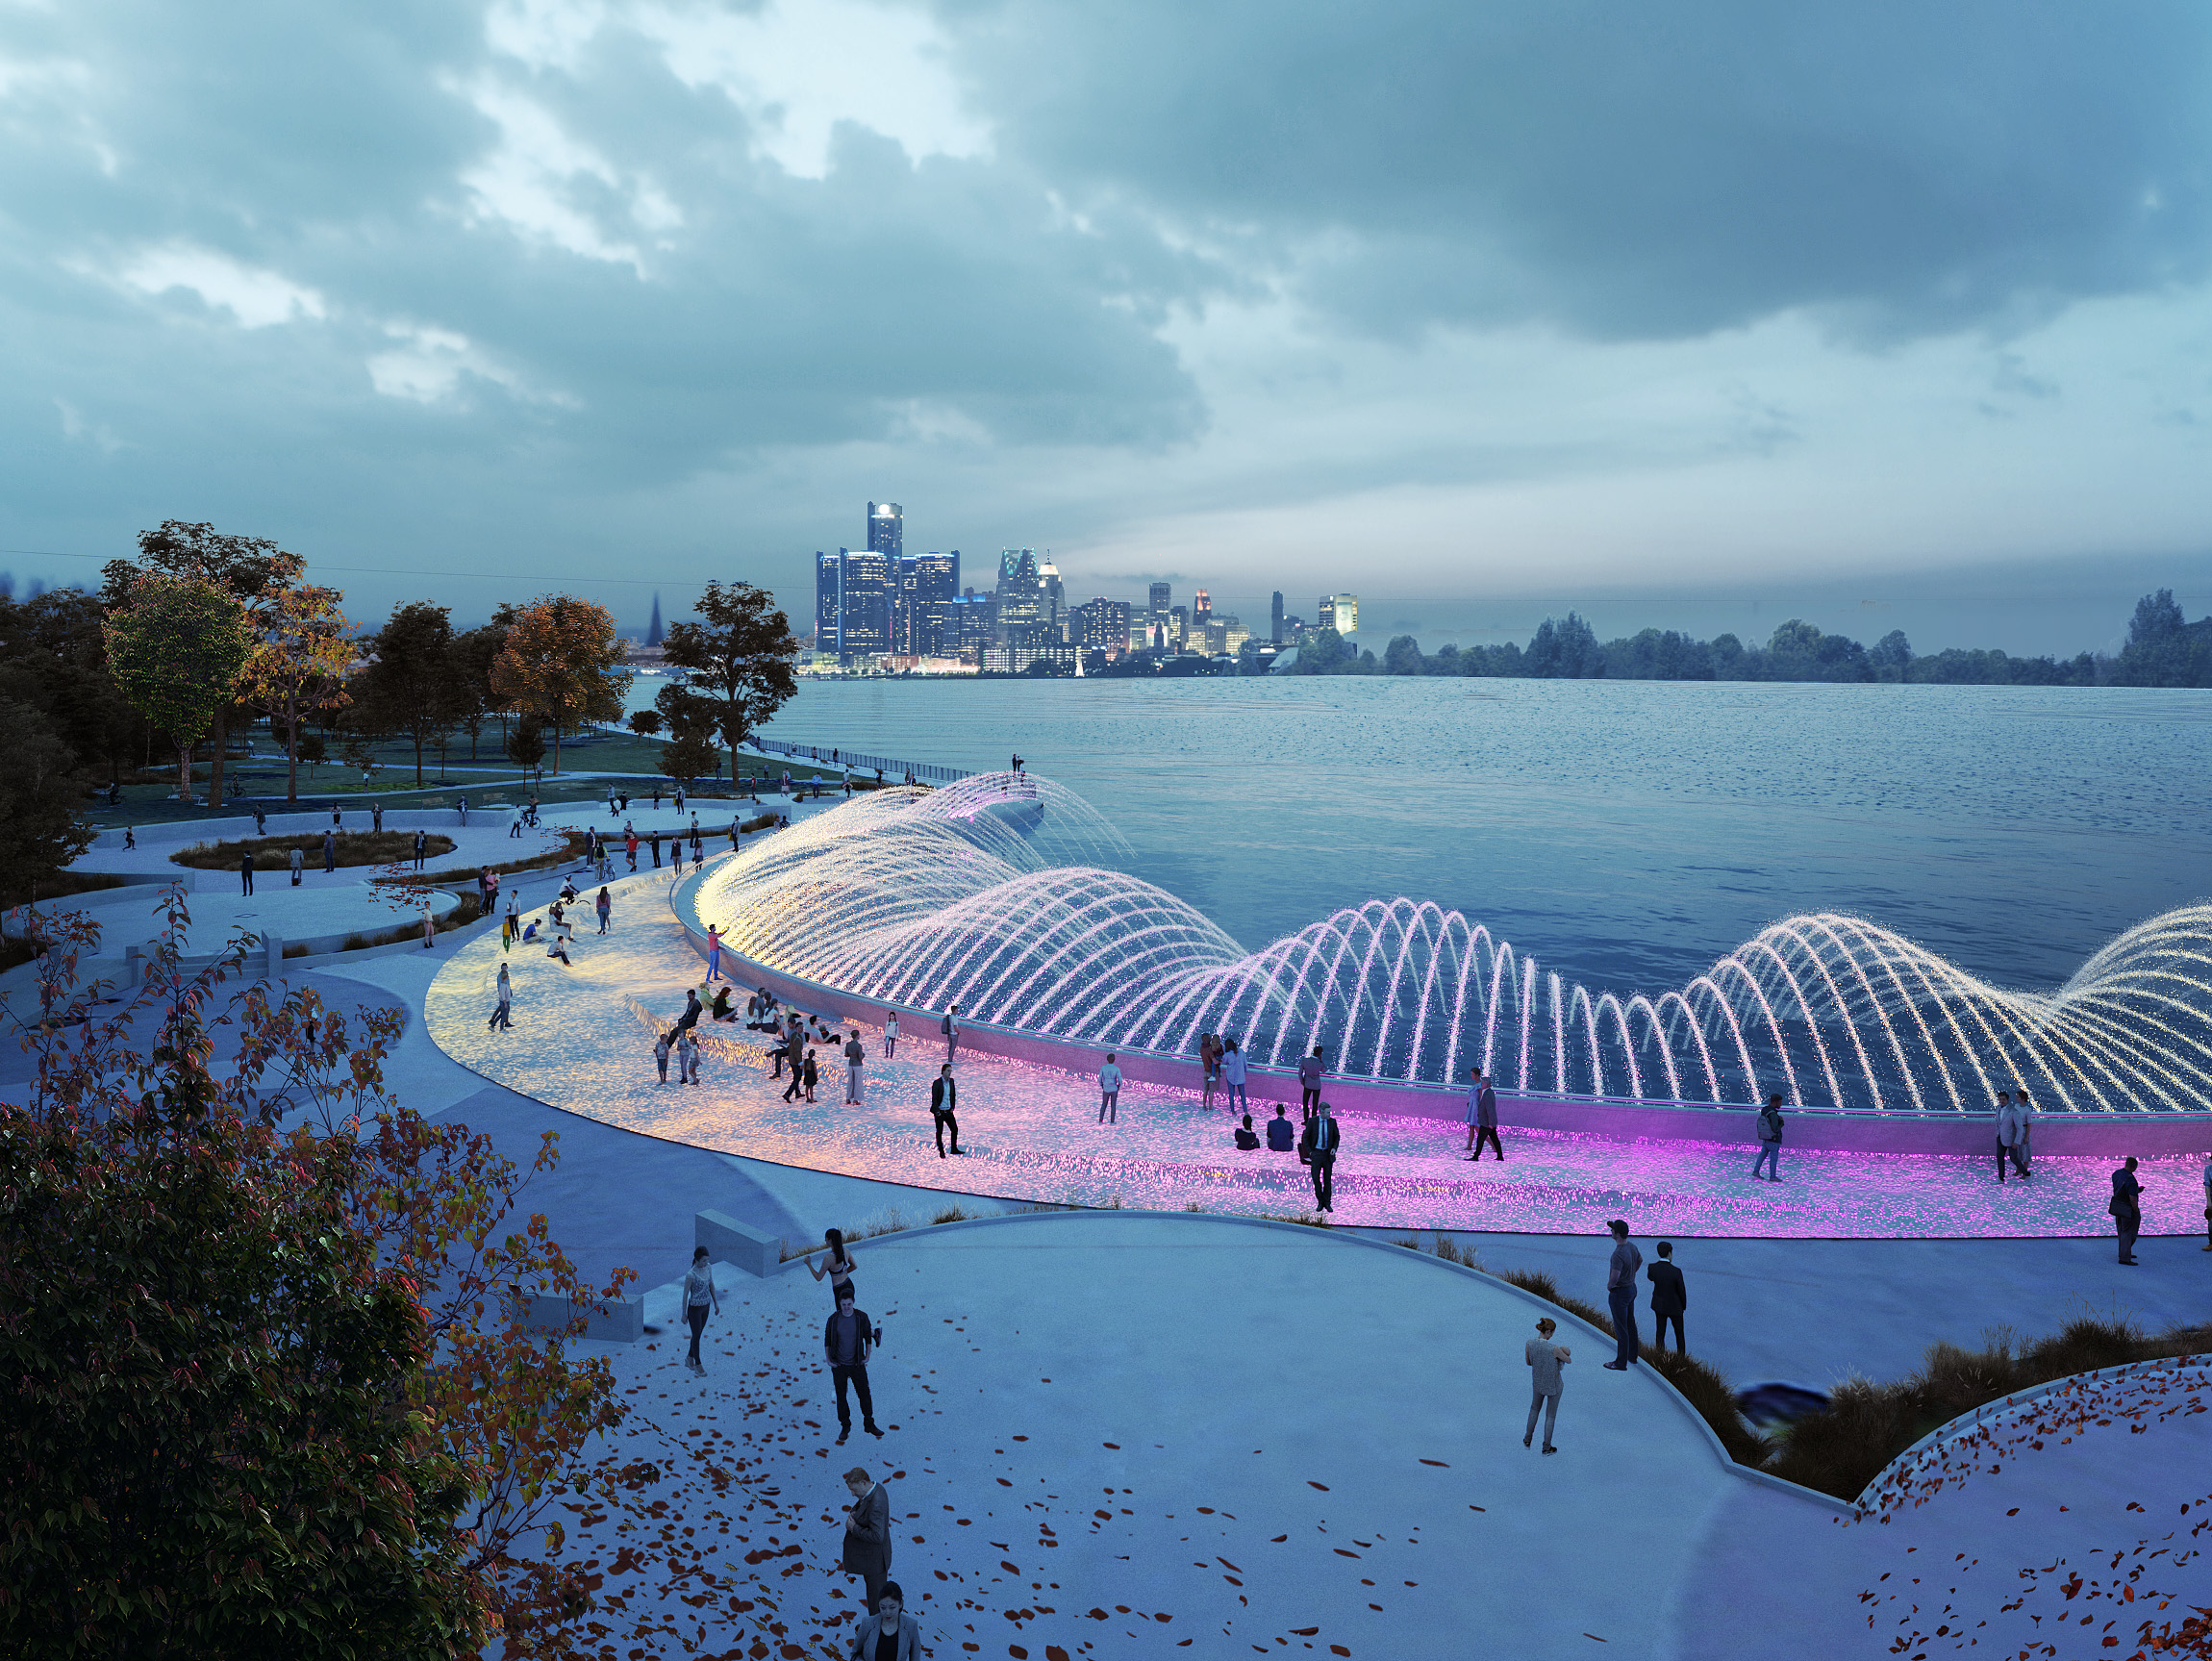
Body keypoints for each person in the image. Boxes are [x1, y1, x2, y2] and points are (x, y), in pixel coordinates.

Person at [825, 1291, 883, 1444]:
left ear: (853, 1302)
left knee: (864, 1394)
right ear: (840, 1304)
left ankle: (869, 1423)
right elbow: (827, 1341)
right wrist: (829, 1360)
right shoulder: (833, 1319)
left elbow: (867, 1338)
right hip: (839, 1365)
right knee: (841, 1396)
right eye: (843, 1305)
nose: (846, 1307)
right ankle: (845, 1426)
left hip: (857, 1364)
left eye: (849, 1304)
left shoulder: (861, 1317)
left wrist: (868, 1356)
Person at [841, 1467, 892, 1610]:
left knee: (876, 1603)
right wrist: (856, 1512)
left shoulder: (877, 1503)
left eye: (854, 1490)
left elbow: (877, 1536)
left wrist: (854, 1528)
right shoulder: (876, 1488)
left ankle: (878, 1629)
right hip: (874, 1560)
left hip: (874, 1563)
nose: (852, 1494)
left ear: (863, 1483)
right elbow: (864, 1504)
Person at [1524, 1317, 1568, 1454]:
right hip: (1554, 1385)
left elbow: (1528, 1362)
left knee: (1534, 1409)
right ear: (1548, 1331)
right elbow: (1568, 1360)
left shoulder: (1529, 1344)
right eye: (1553, 1332)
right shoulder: (1554, 1349)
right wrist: (1563, 1351)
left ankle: (1527, 1438)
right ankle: (1546, 1447)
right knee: (1550, 1416)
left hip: (1538, 1383)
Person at [1603, 1221, 1643, 1369]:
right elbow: (1640, 1260)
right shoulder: (1632, 1246)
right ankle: (1633, 1356)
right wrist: (1631, 1274)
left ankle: (1620, 1362)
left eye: (1612, 1229)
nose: (1610, 1231)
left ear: (1617, 1234)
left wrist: (1610, 1286)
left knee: (1621, 1329)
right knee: (1630, 1324)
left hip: (1620, 1293)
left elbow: (1615, 1276)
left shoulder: (1618, 1254)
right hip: (1631, 1288)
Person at [844, 1585, 920, 1661]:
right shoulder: (867, 1623)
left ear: (900, 1604)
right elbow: (855, 1654)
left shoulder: (911, 1626)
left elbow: (915, 1658)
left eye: (892, 1607)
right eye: (883, 1607)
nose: (887, 1612)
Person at [682, 1246, 719, 1373]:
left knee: (697, 1335)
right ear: (697, 1260)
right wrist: (683, 1314)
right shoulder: (690, 1275)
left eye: (707, 1260)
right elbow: (685, 1294)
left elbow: (711, 1284)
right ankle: (698, 1364)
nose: (705, 1263)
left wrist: (715, 1302)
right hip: (695, 1309)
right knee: (696, 1336)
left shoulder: (708, 1267)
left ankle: (689, 1358)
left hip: (706, 1306)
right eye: (703, 1260)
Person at [1647, 1241, 1686, 1354]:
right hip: (1675, 1307)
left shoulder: (1652, 1268)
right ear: (1669, 1253)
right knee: (1679, 1334)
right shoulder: (1676, 1272)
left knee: (1660, 1332)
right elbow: (1681, 1291)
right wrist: (1683, 1306)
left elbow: (1650, 1278)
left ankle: (1659, 1355)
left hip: (1659, 1305)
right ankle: (1681, 1358)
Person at [1302, 1103, 1340, 1212]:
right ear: (1321, 1112)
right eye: (1328, 1112)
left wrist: (1334, 1148)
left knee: (1327, 1180)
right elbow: (1306, 1136)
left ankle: (1327, 1202)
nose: (1330, 1114)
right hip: (1316, 1154)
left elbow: (1337, 1136)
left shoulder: (1332, 1122)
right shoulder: (1312, 1121)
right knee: (1316, 1179)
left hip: (1328, 1155)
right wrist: (1310, 1152)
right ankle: (1320, 1201)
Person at [810, 1229, 858, 1305]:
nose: (825, 1241)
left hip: (839, 1289)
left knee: (842, 1314)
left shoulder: (828, 1258)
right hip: (849, 1285)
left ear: (830, 1240)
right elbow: (854, 1266)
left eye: (826, 1239)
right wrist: (844, 1272)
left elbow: (818, 1277)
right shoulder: (845, 1250)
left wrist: (809, 1264)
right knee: (849, 1311)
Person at [2111, 1156, 2143, 1265]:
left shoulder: (2116, 1174)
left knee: (2121, 1231)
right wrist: (2136, 1211)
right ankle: (2124, 1257)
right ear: (2135, 1167)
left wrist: (2136, 1190)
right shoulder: (2131, 1180)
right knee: (2129, 1232)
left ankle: (2125, 1252)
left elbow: (2121, 1189)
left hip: (2117, 1206)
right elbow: (2132, 1199)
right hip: (2127, 1209)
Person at [1465, 1068, 1501, 1161]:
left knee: (1480, 1135)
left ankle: (1477, 1155)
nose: (1481, 1085)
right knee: (1491, 1137)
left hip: (1483, 1115)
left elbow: (1488, 1107)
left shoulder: (1486, 1092)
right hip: (1479, 1112)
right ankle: (1499, 1155)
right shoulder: (1486, 1091)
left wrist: (1490, 1121)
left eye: (1472, 1074)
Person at [1751, 1094, 1784, 1181]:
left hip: (1765, 1138)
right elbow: (1775, 1128)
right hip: (1774, 1140)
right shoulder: (1773, 1113)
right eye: (1780, 1102)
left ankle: (1756, 1171)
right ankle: (1772, 1176)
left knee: (1762, 1155)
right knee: (1773, 1159)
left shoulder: (1765, 1110)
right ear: (1776, 1102)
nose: (1781, 1105)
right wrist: (1781, 1123)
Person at [931, 1065, 961, 1157]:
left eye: (950, 1071)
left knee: (954, 1129)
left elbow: (953, 1095)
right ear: (943, 1071)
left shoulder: (951, 1081)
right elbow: (934, 1098)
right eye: (948, 1071)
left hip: (948, 1111)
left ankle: (954, 1149)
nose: (950, 1073)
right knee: (940, 1131)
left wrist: (952, 1107)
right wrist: (937, 1112)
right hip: (940, 1112)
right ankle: (941, 1151)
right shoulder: (937, 1083)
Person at [1993, 1089, 2017, 1183]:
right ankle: (2001, 1178)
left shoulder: (2012, 1110)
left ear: (2007, 1100)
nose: (2002, 1101)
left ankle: (2026, 1173)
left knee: (2014, 1158)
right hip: (1999, 1136)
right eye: (2000, 1099)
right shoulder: (1998, 1108)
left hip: (2010, 1137)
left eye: (2003, 1100)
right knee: (1999, 1157)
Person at [1298, 1046, 1327, 1120]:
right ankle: (1313, 1121)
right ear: (1320, 1054)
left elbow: (1300, 1073)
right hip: (1317, 1085)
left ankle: (1306, 1120)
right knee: (1315, 1104)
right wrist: (1321, 1061)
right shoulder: (1319, 1063)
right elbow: (1325, 1070)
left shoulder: (1305, 1060)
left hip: (1307, 1084)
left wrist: (1303, 1082)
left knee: (1305, 1102)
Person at [1219, 1038, 1247, 1115]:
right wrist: (1244, 1072)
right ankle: (1245, 1111)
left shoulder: (1227, 1055)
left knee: (1231, 1094)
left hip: (1230, 1076)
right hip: (1240, 1076)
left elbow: (1224, 1062)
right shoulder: (1241, 1052)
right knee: (1242, 1095)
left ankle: (1232, 1111)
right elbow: (1245, 1064)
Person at [2013, 1088, 2035, 1178]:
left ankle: (2024, 1172)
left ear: (2022, 1099)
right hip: (2017, 1130)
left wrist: (2026, 1137)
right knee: (2017, 1152)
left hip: (2024, 1130)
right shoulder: (2016, 1106)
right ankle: (2018, 1170)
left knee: (2025, 1153)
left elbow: (2029, 1124)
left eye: (2018, 1097)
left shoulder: (2027, 1110)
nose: (2016, 1098)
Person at [1098, 1051, 1123, 1124]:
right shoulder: (1116, 1069)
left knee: (1104, 1105)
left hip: (1106, 1088)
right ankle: (1112, 1121)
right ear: (1114, 1060)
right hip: (1114, 1088)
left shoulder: (1103, 1068)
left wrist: (1102, 1085)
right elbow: (1120, 1080)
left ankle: (1101, 1120)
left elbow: (1100, 1078)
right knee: (1113, 1105)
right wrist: (1118, 1086)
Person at [1199, 1032, 1221, 1111]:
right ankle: (1211, 1107)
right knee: (1211, 1091)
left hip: (1205, 1071)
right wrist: (1220, 1062)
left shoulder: (1202, 1049)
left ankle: (1204, 1106)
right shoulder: (1209, 1050)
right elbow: (1214, 1061)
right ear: (1207, 1039)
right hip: (1212, 1073)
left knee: (1205, 1090)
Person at [488, 963, 512, 1033]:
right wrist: (504, 1001)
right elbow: (501, 989)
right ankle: (500, 1027)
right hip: (504, 999)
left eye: (505, 968)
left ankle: (494, 1024)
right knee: (503, 1013)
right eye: (503, 968)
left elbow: (508, 985)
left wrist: (510, 991)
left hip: (506, 998)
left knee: (502, 1012)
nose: (504, 969)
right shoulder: (501, 979)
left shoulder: (506, 975)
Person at [844, 1030, 867, 1104]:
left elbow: (846, 1054)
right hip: (858, 1065)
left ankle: (848, 1098)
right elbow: (860, 1057)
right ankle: (856, 1099)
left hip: (851, 1064)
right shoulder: (859, 1046)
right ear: (857, 1036)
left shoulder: (848, 1044)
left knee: (850, 1081)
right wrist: (863, 1055)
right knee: (857, 1082)